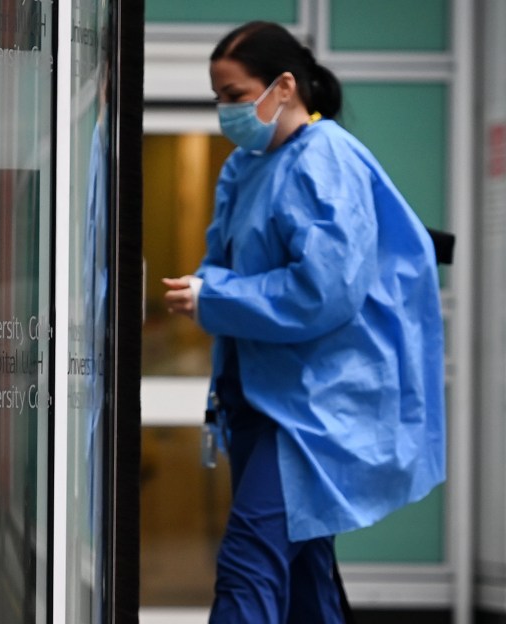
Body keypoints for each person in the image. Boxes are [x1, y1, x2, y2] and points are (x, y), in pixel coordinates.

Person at [163, 21, 446, 623]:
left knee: (250, 562)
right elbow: (225, 264)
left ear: (284, 86)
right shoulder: (247, 167)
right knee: (302, 574)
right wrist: (207, 289)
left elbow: (325, 290)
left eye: (236, 96)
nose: (226, 111)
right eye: (219, 98)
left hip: (307, 408)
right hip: (263, 397)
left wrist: (214, 297)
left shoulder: (327, 160)